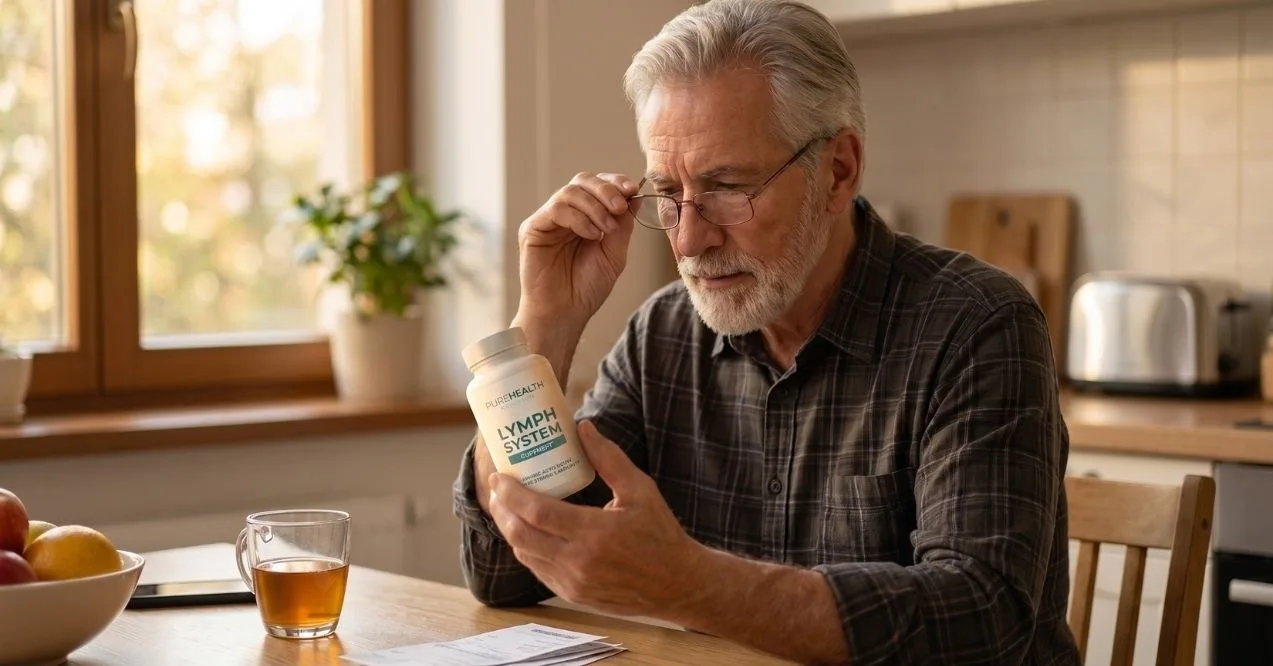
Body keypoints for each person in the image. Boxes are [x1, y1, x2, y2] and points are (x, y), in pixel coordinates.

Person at [452, 1, 1079, 663]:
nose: (688, 239)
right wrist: (545, 325)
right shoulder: (662, 334)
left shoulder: (975, 323)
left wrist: (687, 583)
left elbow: (979, 619)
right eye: (666, 193)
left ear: (838, 170)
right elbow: (502, 569)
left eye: (726, 186)